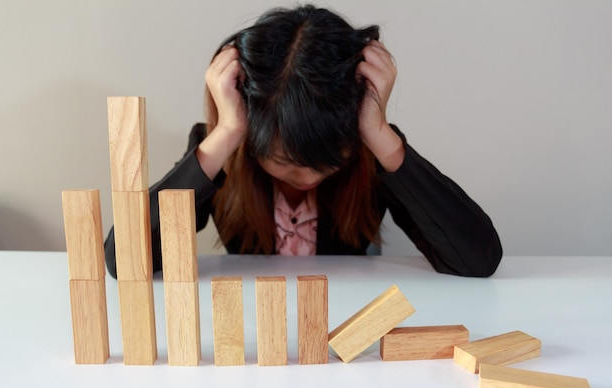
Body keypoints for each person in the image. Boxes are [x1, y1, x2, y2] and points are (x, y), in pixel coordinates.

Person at [104, 4, 502, 278]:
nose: (307, 175)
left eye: (328, 160)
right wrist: (225, 135)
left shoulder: (372, 152)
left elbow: (478, 260)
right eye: (283, 159)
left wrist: (380, 136)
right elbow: (124, 261)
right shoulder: (223, 151)